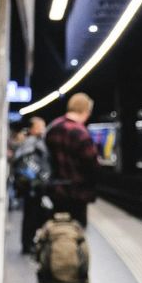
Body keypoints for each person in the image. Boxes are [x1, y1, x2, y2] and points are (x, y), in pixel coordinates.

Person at [44, 93, 98, 227]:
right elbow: (92, 165)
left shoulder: (52, 127)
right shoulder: (81, 132)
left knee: (56, 229)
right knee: (76, 232)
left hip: (54, 191)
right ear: (85, 110)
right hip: (77, 194)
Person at [12, 117, 51, 253]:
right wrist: (40, 181)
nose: (43, 129)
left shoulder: (27, 143)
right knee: (33, 216)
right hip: (33, 187)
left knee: (30, 216)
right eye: (41, 126)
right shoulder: (33, 144)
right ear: (33, 128)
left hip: (30, 186)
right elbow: (34, 165)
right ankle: (29, 245)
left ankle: (27, 244)